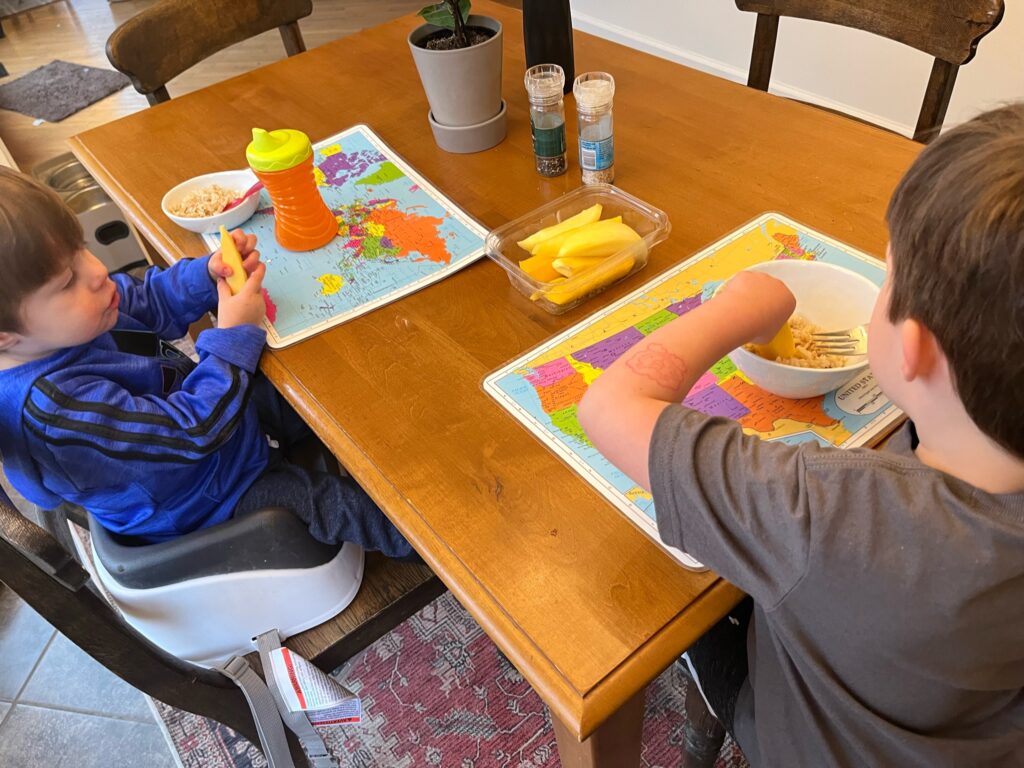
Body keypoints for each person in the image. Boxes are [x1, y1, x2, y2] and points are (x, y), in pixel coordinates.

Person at [577, 104, 1024, 766]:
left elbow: (609, 406)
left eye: (886, 276)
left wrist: (738, 311)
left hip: (801, 742)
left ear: (914, 350)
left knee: (673, 604)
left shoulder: (827, 512)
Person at [0, 167, 412, 559]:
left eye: (82, 249)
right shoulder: (58, 410)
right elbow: (194, 430)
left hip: (215, 421)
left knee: (325, 373)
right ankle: (453, 549)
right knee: (341, 506)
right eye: (67, 280)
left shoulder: (73, 318)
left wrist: (206, 274)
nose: (96, 271)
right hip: (206, 496)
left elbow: (147, 299)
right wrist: (232, 336)